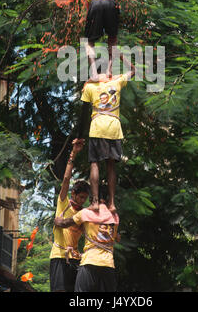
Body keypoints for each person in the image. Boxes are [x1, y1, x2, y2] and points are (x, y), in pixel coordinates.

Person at [77, 53, 135, 213]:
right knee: (111, 166)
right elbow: (133, 70)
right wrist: (121, 56)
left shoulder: (89, 86)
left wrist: (79, 136)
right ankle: (112, 204)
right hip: (114, 128)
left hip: (97, 127)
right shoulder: (116, 82)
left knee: (94, 163)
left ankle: (95, 202)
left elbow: (83, 114)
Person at [54, 187, 120, 292]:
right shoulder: (115, 217)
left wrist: (57, 221)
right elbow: (116, 237)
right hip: (109, 264)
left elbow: (64, 223)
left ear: (93, 199)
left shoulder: (86, 213)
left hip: (90, 262)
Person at [49, 138, 90, 292]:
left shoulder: (83, 214)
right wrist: (73, 154)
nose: (82, 201)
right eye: (81, 197)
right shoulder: (63, 202)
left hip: (76, 260)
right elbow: (66, 179)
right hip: (59, 256)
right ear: (74, 194)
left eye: (85, 198)